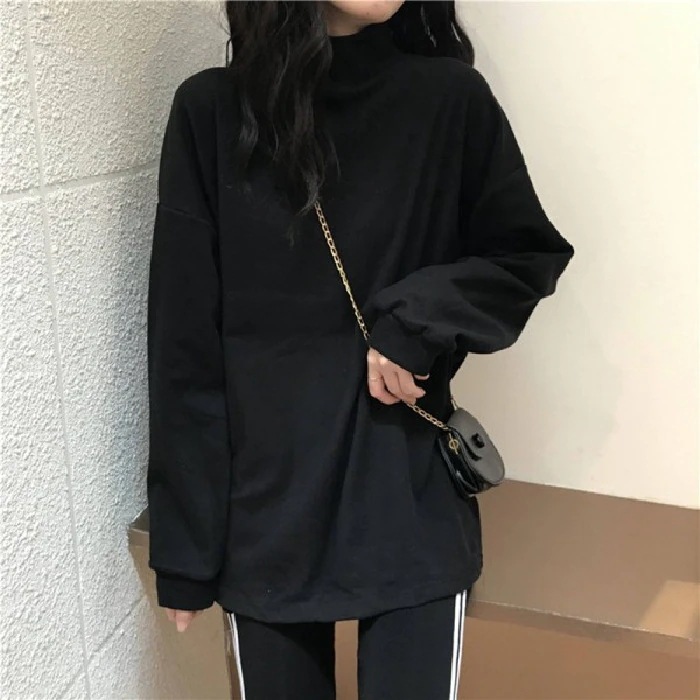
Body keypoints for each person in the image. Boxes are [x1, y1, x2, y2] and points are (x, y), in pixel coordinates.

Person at [145, 1, 575, 698]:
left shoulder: (449, 100)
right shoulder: (214, 113)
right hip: (266, 521)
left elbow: (526, 255)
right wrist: (187, 548)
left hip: (408, 502)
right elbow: (184, 347)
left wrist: (417, 322)